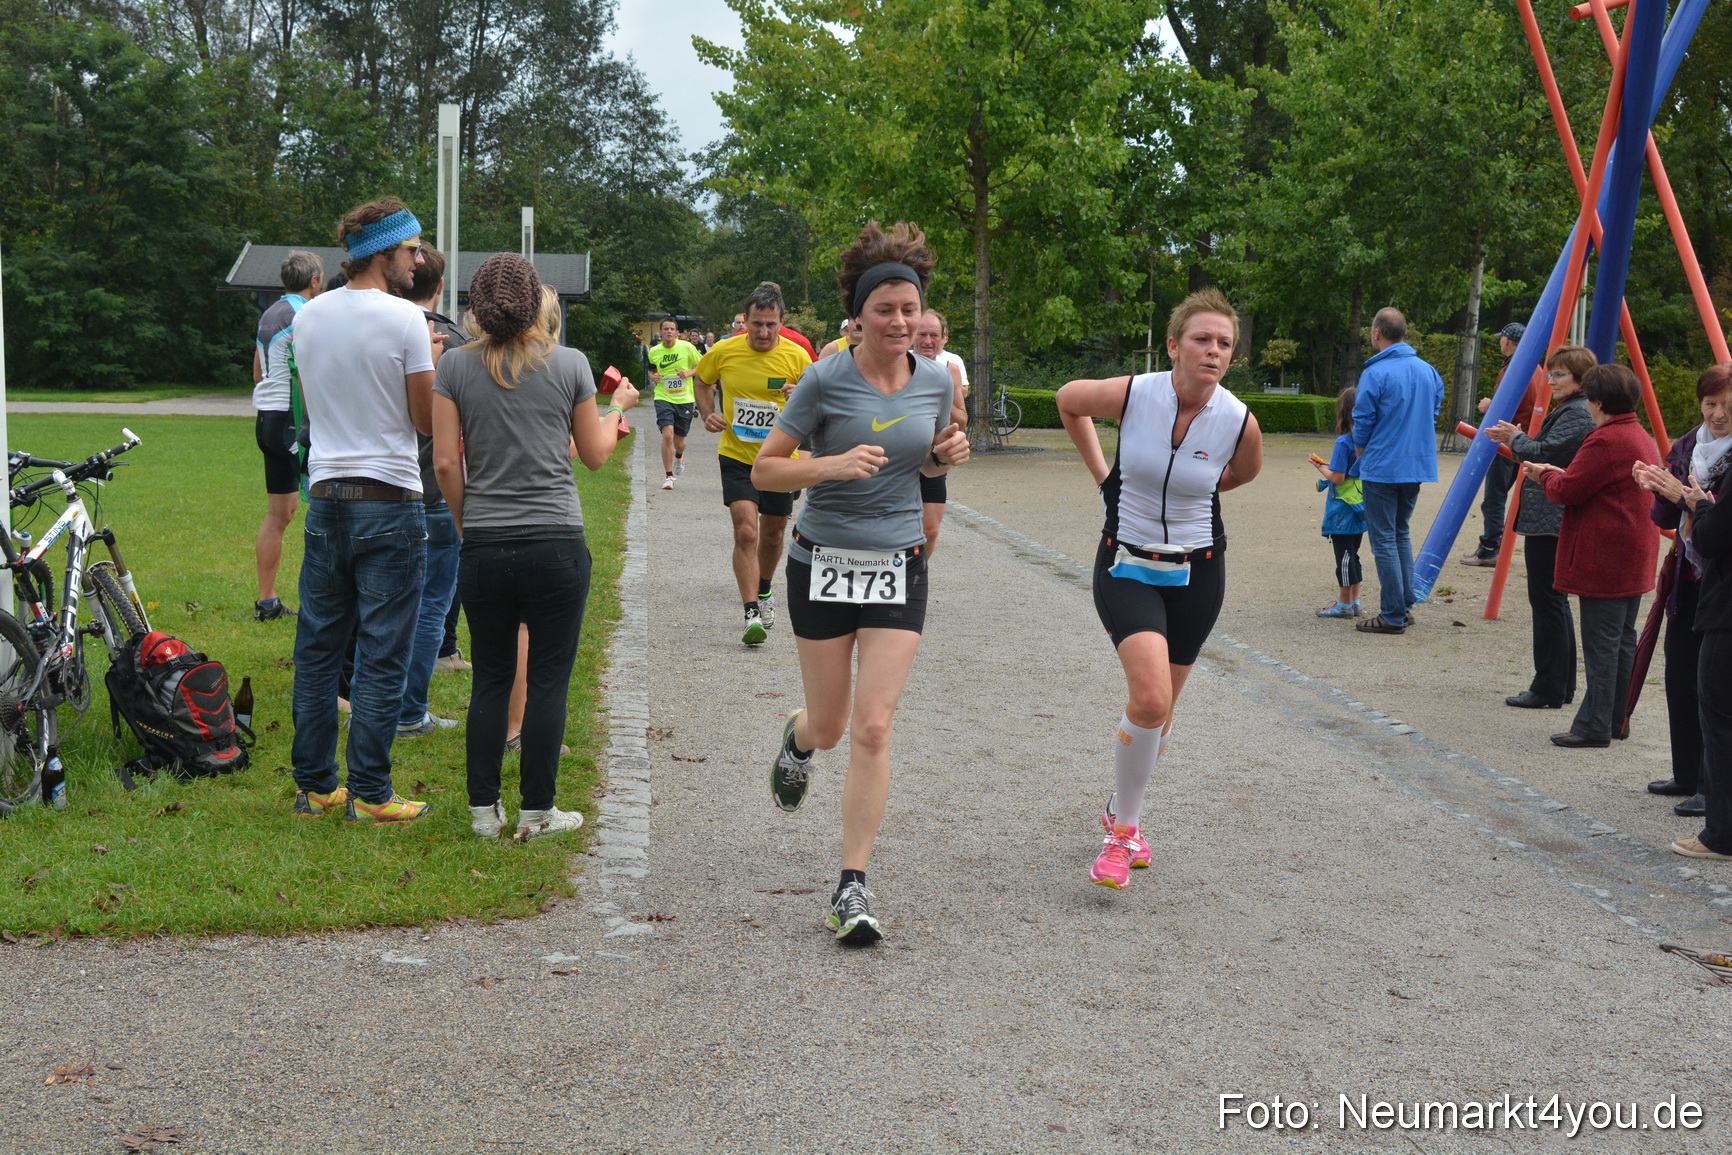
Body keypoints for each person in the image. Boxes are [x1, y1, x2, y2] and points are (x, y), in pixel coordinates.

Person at [753, 220, 970, 943]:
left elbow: (927, 464)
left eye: (911, 310)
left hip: (898, 564)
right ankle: (800, 738)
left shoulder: (937, 381)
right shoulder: (823, 379)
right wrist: (828, 466)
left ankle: (851, 884)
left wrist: (946, 457)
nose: (901, 322)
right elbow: (766, 469)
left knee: (875, 726)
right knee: (833, 723)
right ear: (859, 316)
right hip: (823, 563)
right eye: (886, 310)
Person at [1056, 286, 1264, 889]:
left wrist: (1191, 491)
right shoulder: (1134, 392)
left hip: (1199, 570)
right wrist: (1105, 475)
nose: (1214, 351)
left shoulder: (1238, 420)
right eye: (1202, 339)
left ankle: (1128, 815)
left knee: (1161, 712)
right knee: (1149, 699)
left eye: (1225, 343)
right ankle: (1120, 837)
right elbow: (1070, 403)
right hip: (1126, 562)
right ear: (1173, 346)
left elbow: (1244, 471)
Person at [433, 254, 637, 840]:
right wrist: (617, 410)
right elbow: (595, 454)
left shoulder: (453, 368)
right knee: (548, 679)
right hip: (555, 543)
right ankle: (538, 811)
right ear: (533, 301)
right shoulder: (569, 364)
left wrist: (467, 523)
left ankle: (481, 813)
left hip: (486, 544)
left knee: (490, 678)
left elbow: (447, 462)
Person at [287, 197, 439, 823]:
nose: (418, 261)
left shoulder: (308, 317)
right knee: (382, 654)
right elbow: (424, 421)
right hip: (389, 501)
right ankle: (372, 793)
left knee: (319, 650)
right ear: (383, 254)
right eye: (411, 251)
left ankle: (317, 787)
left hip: (325, 499)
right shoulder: (405, 320)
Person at [1521, 364, 1660, 748]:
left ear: (1597, 402)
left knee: (1601, 643)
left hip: (1606, 555)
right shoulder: (1638, 433)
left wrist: (1544, 475)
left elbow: (1569, 490)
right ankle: (1615, 717)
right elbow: (1587, 480)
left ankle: (1594, 725)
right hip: (1633, 552)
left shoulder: (1605, 439)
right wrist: (1557, 473)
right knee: (1620, 641)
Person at [1635, 378, 1732, 859]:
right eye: (1710, 403)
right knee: (1681, 675)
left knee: (1715, 697)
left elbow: (1717, 531)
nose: (1717, 414)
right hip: (1690, 579)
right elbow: (1662, 515)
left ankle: (1713, 805)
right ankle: (1686, 770)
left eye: (1726, 406)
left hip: (1719, 583)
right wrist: (1664, 489)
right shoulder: (1690, 445)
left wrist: (1692, 500)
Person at [694, 282, 812, 645]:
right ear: (745, 320)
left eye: (770, 324)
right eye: (756, 324)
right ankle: (750, 614)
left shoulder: (797, 357)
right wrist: (706, 412)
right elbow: (702, 379)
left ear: (782, 322)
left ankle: (763, 589)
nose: (763, 332)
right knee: (746, 530)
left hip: (779, 459)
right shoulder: (724, 350)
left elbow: (818, 406)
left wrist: (800, 395)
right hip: (736, 454)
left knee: (774, 533)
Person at [1485, 345, 1595, 710]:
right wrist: (1519, 438)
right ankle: (1559, 685)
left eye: (1559, 374)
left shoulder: (1576, 412)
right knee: (1553, 602)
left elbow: (1545, 453)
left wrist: (1513, 439)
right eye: (1551, 373)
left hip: (1551, 517)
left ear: (1579, 378)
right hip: (1549, 515)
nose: (1551, 380)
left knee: (1548, 602)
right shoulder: (1574, 408)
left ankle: (1548, 686)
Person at [392, 245, 466, 738]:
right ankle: (409, 711)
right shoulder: (453, 341)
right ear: (439, 287)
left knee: (382, 603)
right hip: (434, 491)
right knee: (430, 605)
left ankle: (369, 698)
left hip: (378, 486)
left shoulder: (377, 329)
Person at [1352, 308, 1445, 635]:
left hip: (1382, 465)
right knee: (1400, 532)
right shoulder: (1428, 371)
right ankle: (1404, 606)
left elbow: (1362, 419)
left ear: (1377, 333)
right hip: (1416, 464)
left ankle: (1392, 615)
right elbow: (1434, 411)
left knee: (1384, 541)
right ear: (1403, 333)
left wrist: (1361, 450)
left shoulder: (1375, 373)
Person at [251, 250, 323, 621]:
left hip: (266, 417)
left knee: (280, 513)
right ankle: (321, 600)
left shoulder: (269, 313)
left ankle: (267, 601)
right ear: (314, 281)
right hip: (290, 419)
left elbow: (257, 371)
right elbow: (305, 371)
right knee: (319, 510)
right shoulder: (304, 314)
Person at [1461, 322, 1542, 566]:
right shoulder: (1536, 368)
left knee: (1494, 497)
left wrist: (1489, 406)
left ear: (1507, 341)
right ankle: (1497, 545)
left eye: (1501, 338)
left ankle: (1489, 548)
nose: (1499, 342)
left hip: (1508, 443)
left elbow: (1509, 406)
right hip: (1528, 441)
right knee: (1510, 496)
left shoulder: (1514, 368)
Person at [912, 310, 969, 555]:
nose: (927, 341)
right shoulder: (898, 363)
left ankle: (916, 577)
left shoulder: (950, 369)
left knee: (930, 530)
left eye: (933, 335)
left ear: (944, 337)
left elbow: (963, 420)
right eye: (922, 334)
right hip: (900, 455)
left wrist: (941, 394)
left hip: (934, 457)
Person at [1310, 386, 1366, 618]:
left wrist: (1320, 466)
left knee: (1343, 557)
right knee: (1354, 554)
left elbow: (1338, 477)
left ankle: (1343, 605)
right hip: (1361, 502)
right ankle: (1354, 601)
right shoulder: (1366, 439)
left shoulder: (1344, 442)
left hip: (1343, 506)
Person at [646, 319, 701, 489]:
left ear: (677, 332)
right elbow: (652, 369)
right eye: (665, 329)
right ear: (661, 332)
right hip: (663, 396)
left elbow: (703, 365)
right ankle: (669, 476)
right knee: (667, 435)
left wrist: (689, 373)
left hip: (684, 399)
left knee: (679, 441)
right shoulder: (654, 351)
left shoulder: (687, 347)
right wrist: (652, 376)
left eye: (672, 329)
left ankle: (679, 455)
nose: (669, 332)